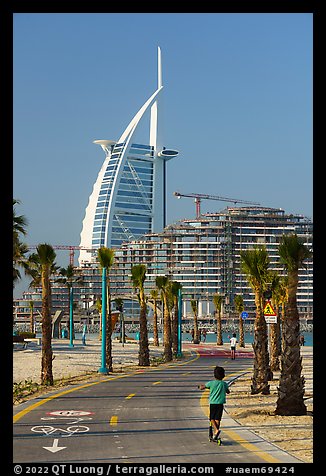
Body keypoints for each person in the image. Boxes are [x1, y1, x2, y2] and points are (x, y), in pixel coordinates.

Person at [198, 366, 230, 441]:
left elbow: (203, 387)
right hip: (220, 403)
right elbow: (228, 391)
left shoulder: (211, 383)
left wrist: (200, 387)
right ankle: (216, 434)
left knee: (211, 418)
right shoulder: (224, 384)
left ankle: (216, 430)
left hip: (213, 403)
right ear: (223, 375)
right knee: (217, 419)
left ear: (214, 375)